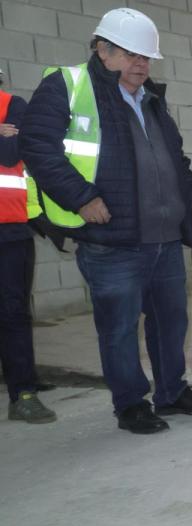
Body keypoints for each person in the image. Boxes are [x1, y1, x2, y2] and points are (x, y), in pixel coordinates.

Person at [19, 7, 192, 434]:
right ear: (102, 50)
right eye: (131, 55)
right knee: (119, 328)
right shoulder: (68, 86)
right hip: (112, 240)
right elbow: (38, 147)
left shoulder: (152, 98)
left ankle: (171, 392)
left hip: (164, 236)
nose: (141, 64)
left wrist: (188, 199)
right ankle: (130, 404)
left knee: (172, 322)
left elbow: (176, 156)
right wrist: (82, 197)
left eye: (146, 57)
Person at [0, 67, 57, 424]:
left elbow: (10, 152)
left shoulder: (12, 106)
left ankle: (23, 392)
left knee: (13, 311)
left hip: (9, 228)